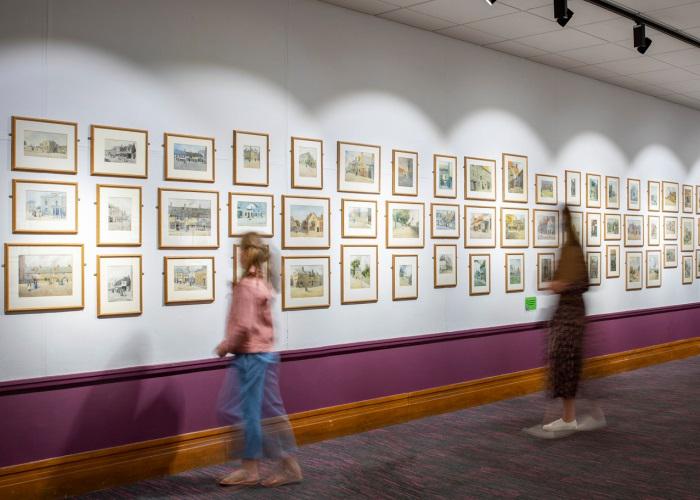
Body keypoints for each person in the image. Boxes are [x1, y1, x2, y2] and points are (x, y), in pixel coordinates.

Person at [215, 232, 302, 488]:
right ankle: (251, 467)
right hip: (260, 355)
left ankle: (285, 464)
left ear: (244, 253)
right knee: (254, 413)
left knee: (243, 411)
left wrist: (224, 346)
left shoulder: (247, 286)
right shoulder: (260, 282)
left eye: (239, 251)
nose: (237, 255)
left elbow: (243, 326)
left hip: (251, 356)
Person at [543, 207, 590, 432]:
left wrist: (564, 285)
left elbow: (585, 283)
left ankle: (569, 418)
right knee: (561, 364)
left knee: (568, 364)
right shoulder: (567, 250)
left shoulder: (574, 251)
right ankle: (567, 416)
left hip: (572, 317)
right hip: (564, 314)